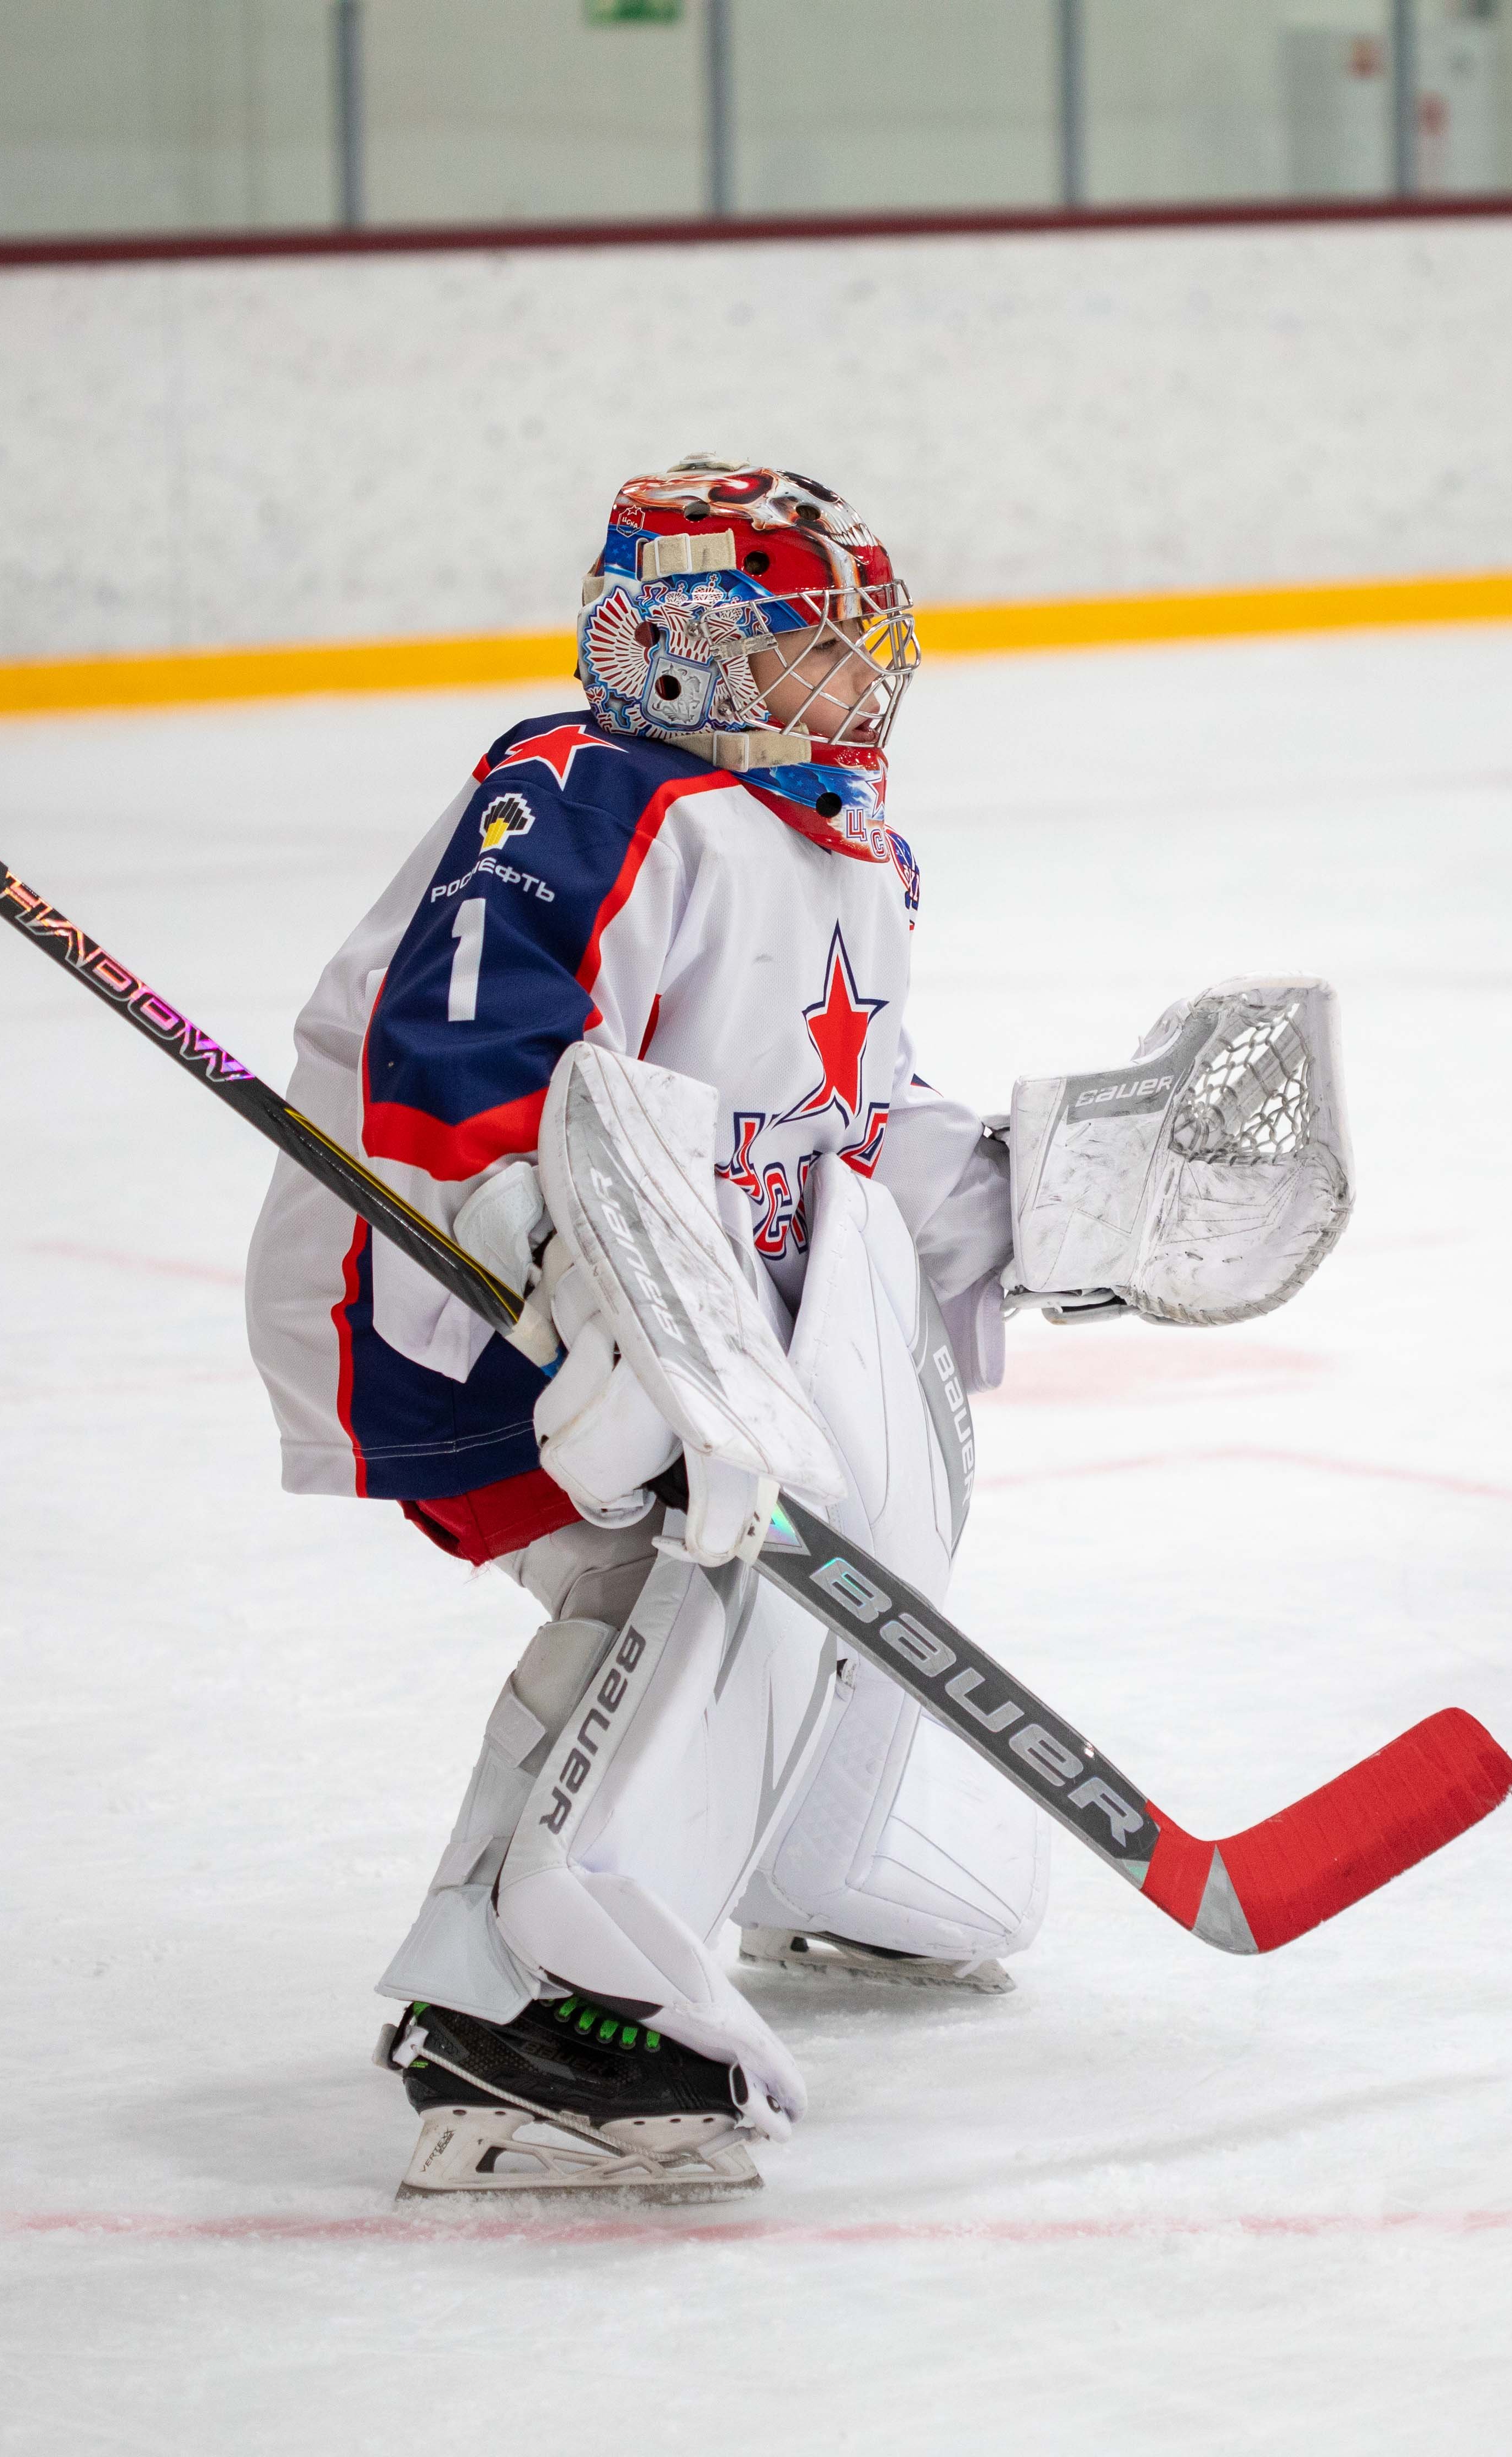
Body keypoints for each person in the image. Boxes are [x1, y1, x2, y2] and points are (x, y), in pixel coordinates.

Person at [242, 458, 1044, 2200]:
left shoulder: (858, 851)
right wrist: (577, 1298)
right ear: (673, 655)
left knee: (818, 1525)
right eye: (804, 640)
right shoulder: (585, 791)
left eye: (856, 635)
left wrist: (1024, 1192)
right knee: (669, 1592)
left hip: (680, 1316)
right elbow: (457, 1056)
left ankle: (790, 1855)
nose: (853, 669)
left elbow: (844, 1118)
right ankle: (528, 2007)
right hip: (459, 1308)